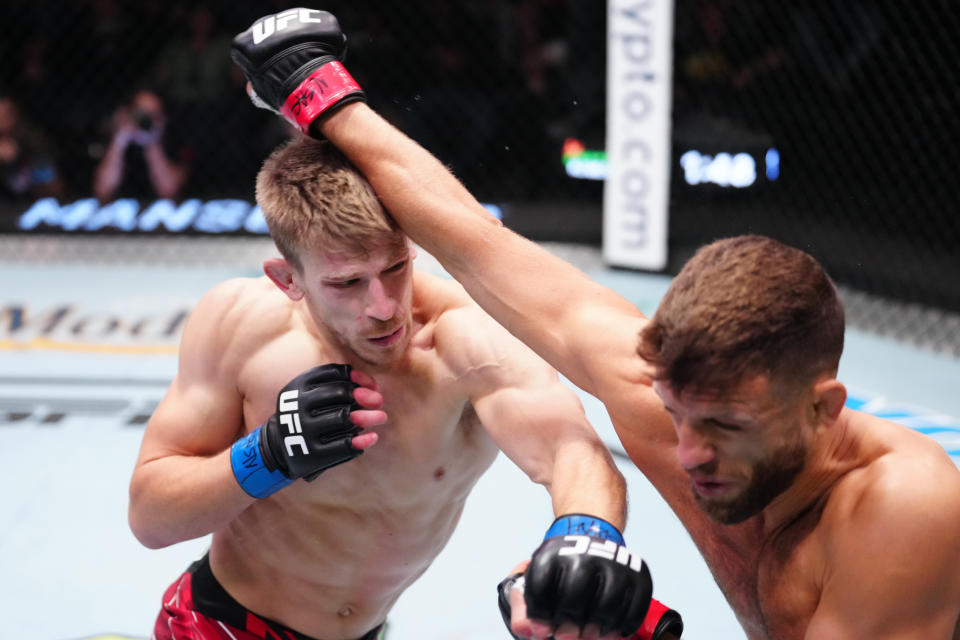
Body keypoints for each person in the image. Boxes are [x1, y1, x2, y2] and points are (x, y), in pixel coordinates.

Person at [229, 8, 960, 639]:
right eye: (677, 414)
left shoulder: (900, 508)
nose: (689, 453)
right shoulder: (683, 416)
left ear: (823, 409)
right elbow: (477, 243)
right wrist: (317, 93)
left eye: (726, 427)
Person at [128, 89, 683, 640]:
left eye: (395, 266)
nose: (384, 307)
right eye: (346, 283)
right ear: (288, 279)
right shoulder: (240, 327)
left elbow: (571, 449)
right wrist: (266, 455)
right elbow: (150, 517)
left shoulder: (464, 340)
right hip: (220, 624)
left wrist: (582, 534)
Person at [93, 88, 191, 202]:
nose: (147, 119)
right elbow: (103, 191)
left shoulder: (175, 140)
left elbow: (169, 191)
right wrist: (119, 141)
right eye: (142, 113)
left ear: (163, 117)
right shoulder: (113, 139)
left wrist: (152, 141)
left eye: (154, 114)